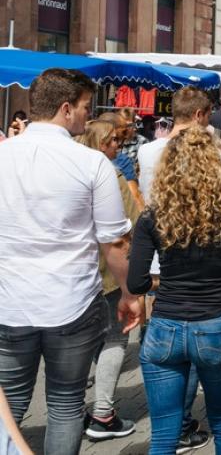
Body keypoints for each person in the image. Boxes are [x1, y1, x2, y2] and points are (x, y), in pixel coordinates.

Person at [0, 68, 142, 455]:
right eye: (84, 107)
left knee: (8, 407)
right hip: (71, 304)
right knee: (64, 405)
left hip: (10, 304)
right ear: (65, 109)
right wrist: (130, 293)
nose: (87, 115)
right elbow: (114, 242)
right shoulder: (91, 163)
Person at [128, 127, 221, 454]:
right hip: (216, 325)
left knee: (163, 434)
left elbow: (136, 283)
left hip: (165, 326)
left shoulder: (153, 216)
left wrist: (164, 282)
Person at [136, 86, 216, 450]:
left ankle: (169, 420)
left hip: (155, 248)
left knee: (161, 332)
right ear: (199, 115)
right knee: (193, 345)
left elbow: (143, 198)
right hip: (199, 256)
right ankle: (181, 421)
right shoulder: (211, 152)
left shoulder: (147, 150)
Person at [75, 120, 140, 441]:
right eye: (114, 140)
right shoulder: (109, 174)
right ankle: (102, 412)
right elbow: (131, 225)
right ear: (100, 143)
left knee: (79, 343)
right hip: (108, 274)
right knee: (115, 338)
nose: (119, 146)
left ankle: (70, 411)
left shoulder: (66, 170)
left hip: (73, 276)